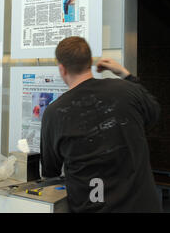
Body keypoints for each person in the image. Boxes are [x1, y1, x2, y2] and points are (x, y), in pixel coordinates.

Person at [41, 36, 162, 213]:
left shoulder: (54, 113)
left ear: (62, 69)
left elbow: (50, 170)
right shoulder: (126, 90)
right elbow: (154, 112)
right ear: (90, 62)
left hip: (93, 208)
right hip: (143, 206)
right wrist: (125, 75)